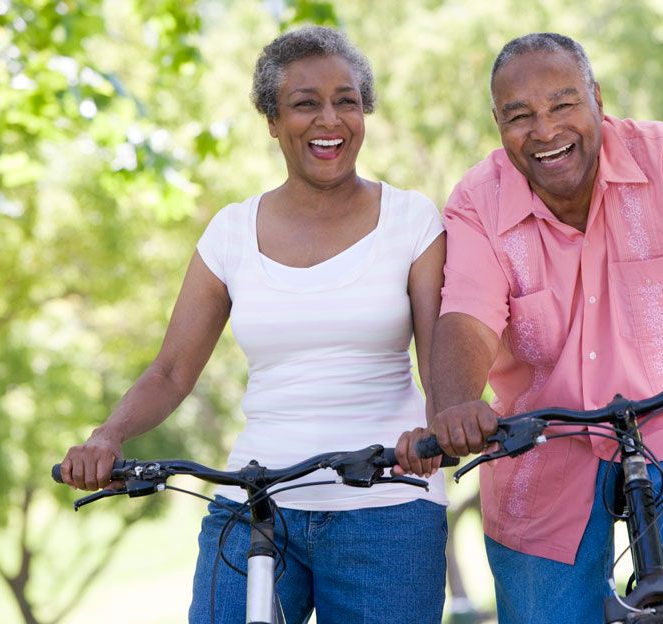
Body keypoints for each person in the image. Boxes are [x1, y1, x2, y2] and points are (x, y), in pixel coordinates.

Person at [402, 33, 663, 624]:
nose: (545, 131)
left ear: (597, 99)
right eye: (519, 116)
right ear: (498, 124)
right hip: (542, 441)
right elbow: (466, 322)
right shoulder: (478, 201)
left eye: (562, 104)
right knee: (539, 600)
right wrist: (453, 404)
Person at [60, 26, 449, 624]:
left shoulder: (412, 220)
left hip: (389, 503)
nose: (331, 120)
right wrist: (107, 436)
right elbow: (170, 370)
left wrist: (439, 429)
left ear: (365, 110)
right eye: (305, 103)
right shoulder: (231, 233)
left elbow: (439, 358)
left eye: (346, 100)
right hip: (256, 499)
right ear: (272, 120)